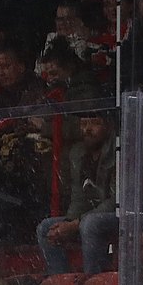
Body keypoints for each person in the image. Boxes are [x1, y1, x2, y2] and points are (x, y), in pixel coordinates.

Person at [36, 109, 117, 275]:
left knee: (90, 224)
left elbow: (116, 201)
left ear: (108, 126)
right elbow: (78, 195)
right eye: (84, 124)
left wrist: (75, 224)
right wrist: (69, 221)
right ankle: (61, 281)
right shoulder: (78, 154)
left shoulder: (118, 152)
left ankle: (92, 281)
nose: (87, 129)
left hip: (122, 216)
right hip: (89, 216)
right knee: (46, 228)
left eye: (94, 123)